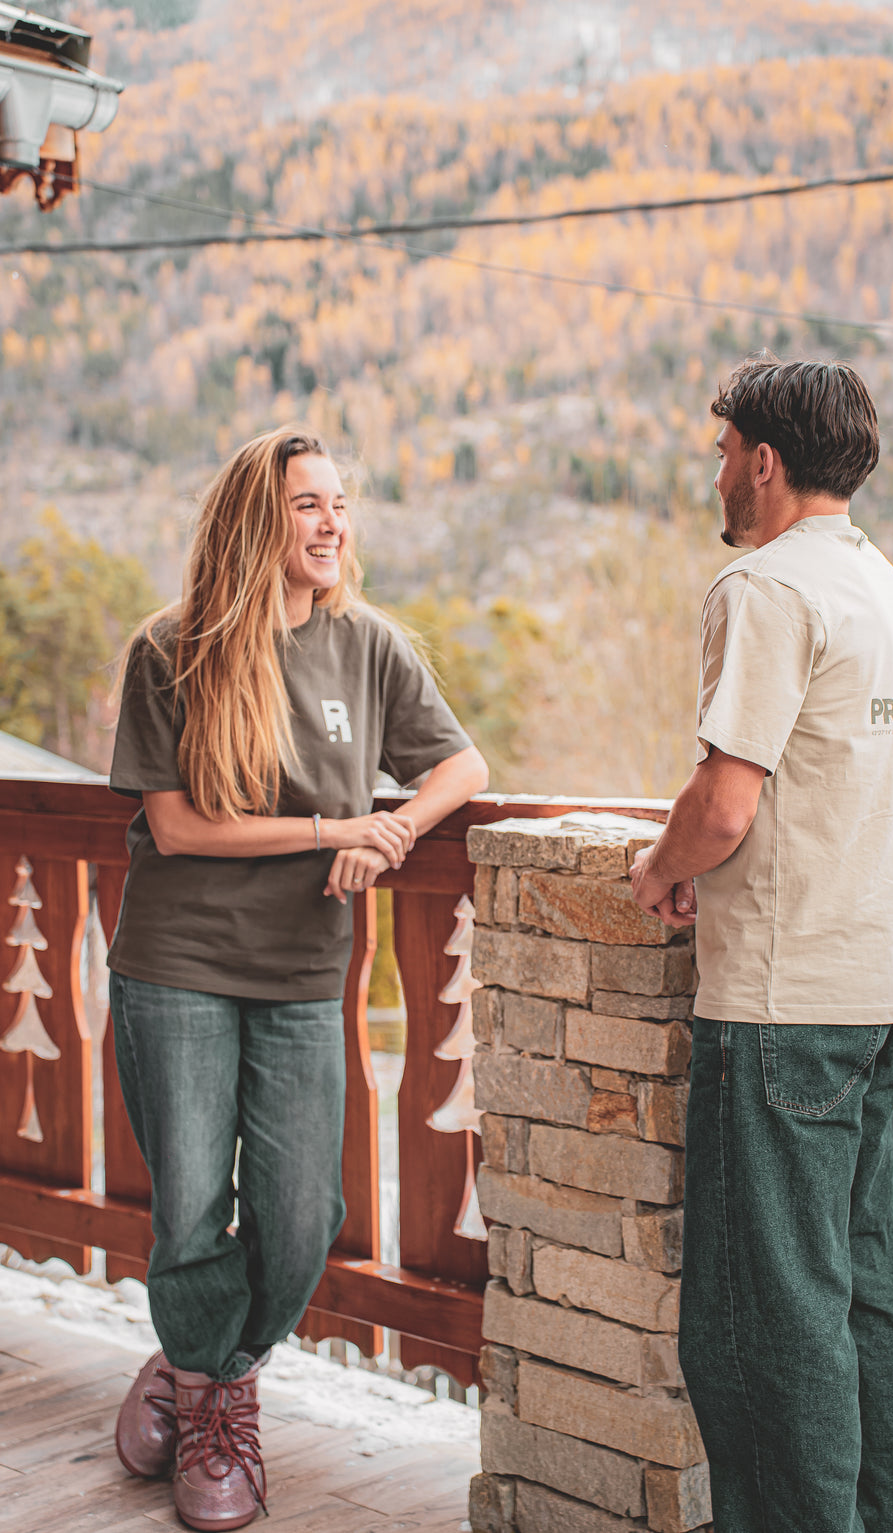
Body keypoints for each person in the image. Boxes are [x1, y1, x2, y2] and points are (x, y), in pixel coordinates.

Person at [106, 426, 488, 1532]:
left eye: (339, 505)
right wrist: (334, 823)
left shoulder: (366, 645)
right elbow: (174, 827)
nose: (332, 524)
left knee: (302, 1211)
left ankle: (194, 1364)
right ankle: (221, 1404)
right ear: (253, 523)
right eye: (307, 505)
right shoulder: (170, 649)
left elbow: (461, 764)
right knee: (189, 1208)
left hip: (302, 975)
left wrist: (398, 830)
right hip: (176, 964)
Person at [630, 356, 893, 1533]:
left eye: (721, 451)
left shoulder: (763, 587)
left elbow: (726, 800)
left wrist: (661, 868)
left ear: (762, 460)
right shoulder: (879, 583)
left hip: (781, 1002)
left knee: (761, 1322)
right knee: (859, 1298)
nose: (716, 472)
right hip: (877, 993)